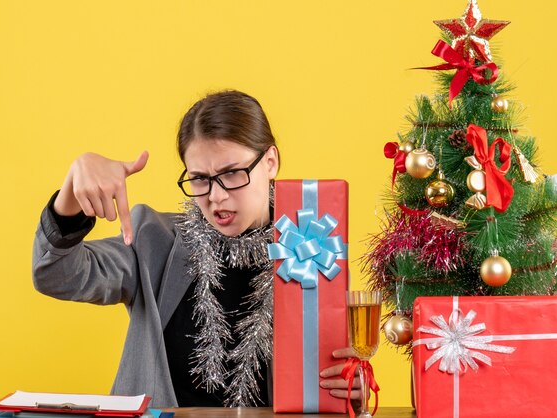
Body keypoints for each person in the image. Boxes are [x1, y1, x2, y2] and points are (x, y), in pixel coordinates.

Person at [32, 90, 359, 408]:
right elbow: (56, 274)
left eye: (231, 173)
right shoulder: (153, 239)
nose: (216, 196)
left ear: (270, 162)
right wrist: (73, 190)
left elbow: (331, 372)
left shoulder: (312, 244)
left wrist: (345, 391)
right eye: (200, 179)